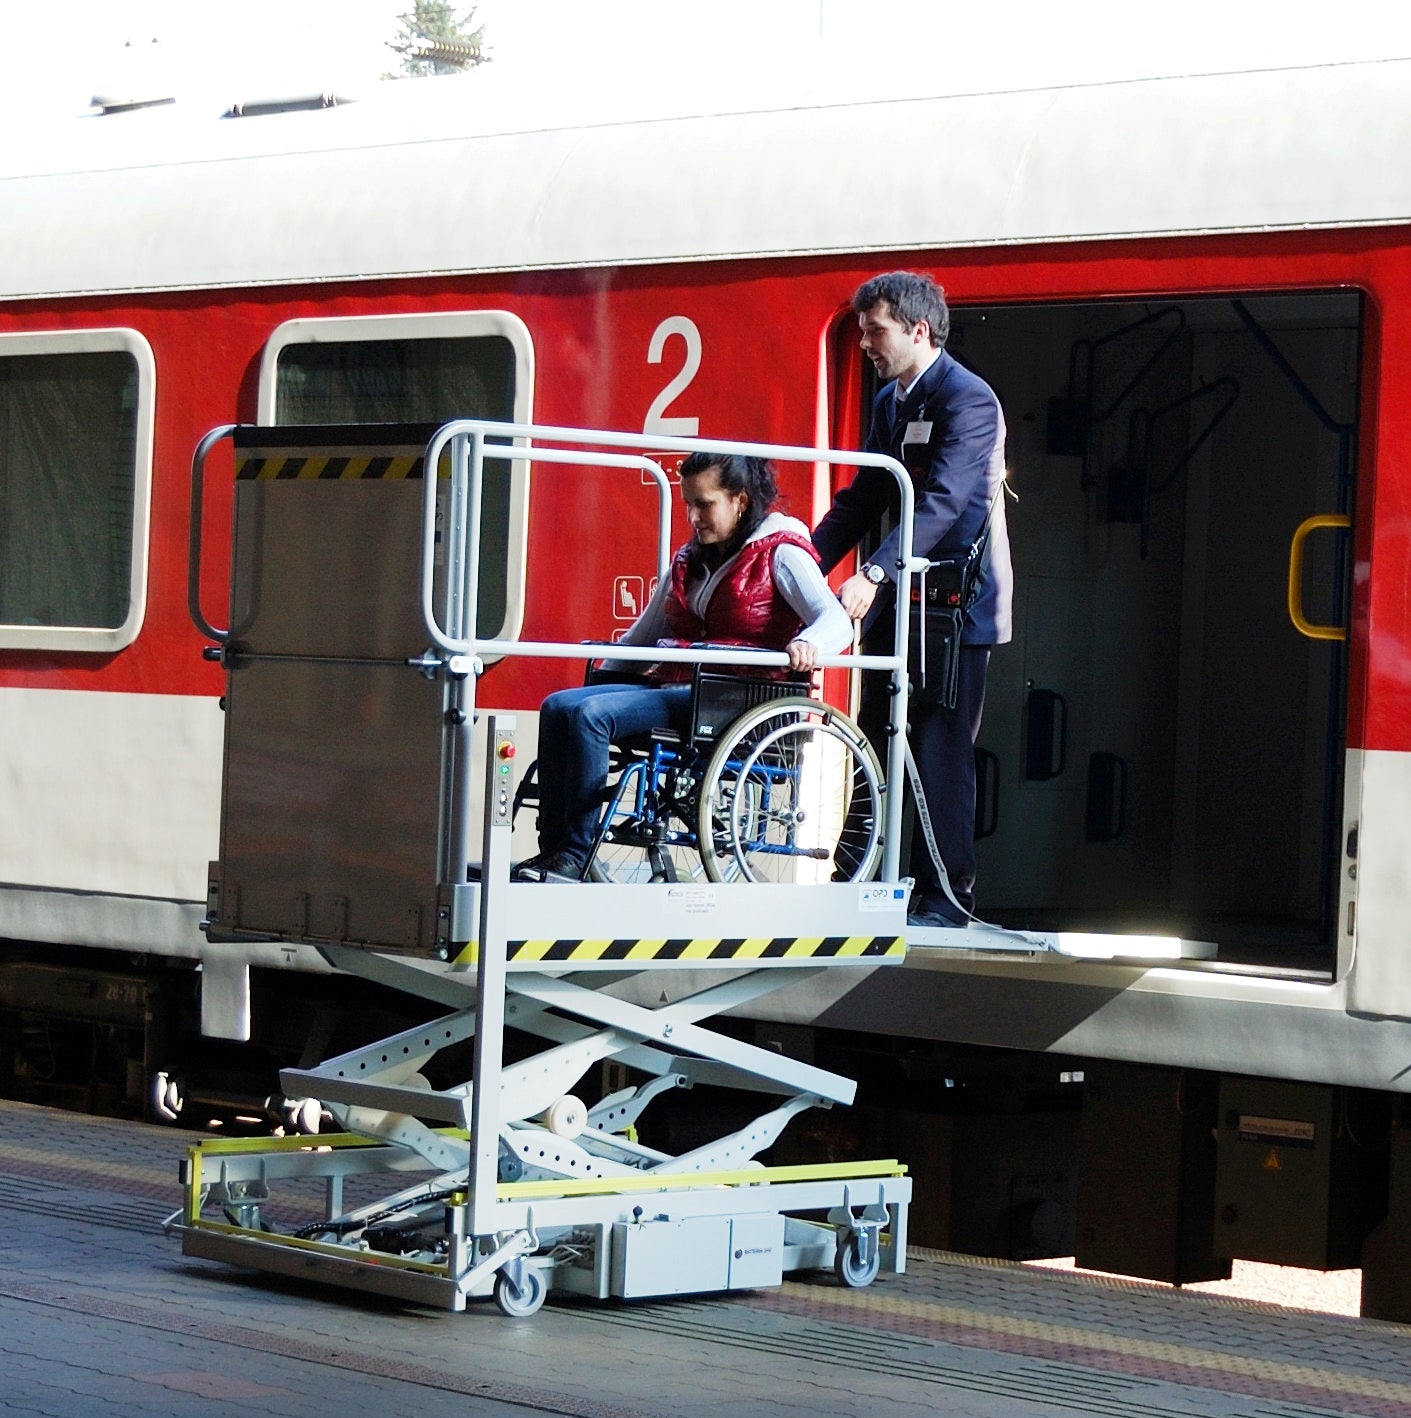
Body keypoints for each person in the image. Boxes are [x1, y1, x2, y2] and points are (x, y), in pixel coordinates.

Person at [518, 451, 853, 882]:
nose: (694, 516)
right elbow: (641, 639)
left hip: (732, 696)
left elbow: (836, 620)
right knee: (559, 706)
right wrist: (603, 676)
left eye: (705, 504)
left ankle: (575, 856)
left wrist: (809, 641)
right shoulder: (689, 559)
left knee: (589, 717)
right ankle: (553, 852)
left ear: (741, 501)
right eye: (688, 504)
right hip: (680, 686)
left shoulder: (782, 553)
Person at [812, 271, 1012, 927]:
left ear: (917, 330)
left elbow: (946, 504)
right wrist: (800, 562)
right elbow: (865, 497)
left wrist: (870, 573)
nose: (865, 342)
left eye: (875, 330)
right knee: (876, 735)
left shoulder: (968, 400)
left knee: (938, 749)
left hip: (955, 604)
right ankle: (858, 876)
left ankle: (945, 898)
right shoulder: (890, 402)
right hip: (903, 593)